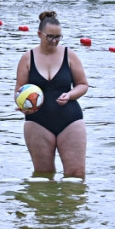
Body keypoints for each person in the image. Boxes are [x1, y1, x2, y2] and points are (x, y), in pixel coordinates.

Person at [13, 11, 88, 178]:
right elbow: (19, 89)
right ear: (39, 34)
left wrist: (70, 95)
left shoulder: (70, 55)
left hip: (70, 119)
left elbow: (83, 85)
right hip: (37, 122)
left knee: (76, 175)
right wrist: (21, 105)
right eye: (50, 37)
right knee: (43, 177)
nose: (54, 41)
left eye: (58, 37)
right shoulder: (27, 58)